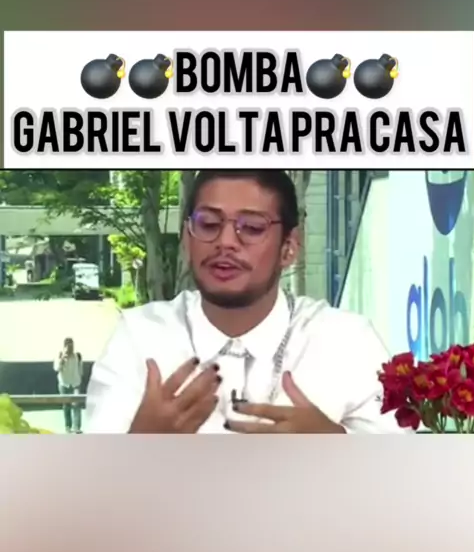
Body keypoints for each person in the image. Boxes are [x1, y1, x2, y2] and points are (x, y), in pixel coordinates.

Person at [86, 170, 410, 435]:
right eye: (209, 224)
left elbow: (401, 478)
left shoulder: (347, 341)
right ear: (186, 238)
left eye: (252, 228)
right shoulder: (139, 337)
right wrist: (142, 443)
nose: (225, 242)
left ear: (289, 248)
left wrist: (336, 446)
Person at [54, 338, 83, 433]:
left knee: (77, 404)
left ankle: (77, 427)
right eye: (69, 346)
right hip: (64, 384)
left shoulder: (77, 356)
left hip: (75, 384)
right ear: (65, 347)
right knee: (66, 406)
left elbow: (80, 370)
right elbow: (56, 369)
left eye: (72, 346)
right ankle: (68, 426)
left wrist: (79, 379)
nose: (71, 349)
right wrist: (62, 359)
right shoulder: (60, 356)